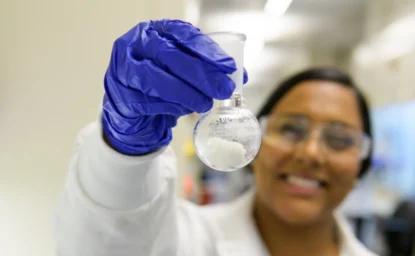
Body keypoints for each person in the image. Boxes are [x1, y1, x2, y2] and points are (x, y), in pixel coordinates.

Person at [53, 19, 377, 256]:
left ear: (362, 161)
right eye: (291, 129)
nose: (310, 153)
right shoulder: (188, 240)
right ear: (257, 137)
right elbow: (105, 244)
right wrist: (124, 151)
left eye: (339, 139)